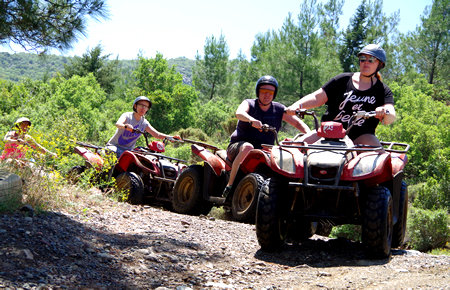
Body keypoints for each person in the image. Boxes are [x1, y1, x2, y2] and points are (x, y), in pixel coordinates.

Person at [286, 44, 396, 146]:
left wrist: (384, 111)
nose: (366, 62)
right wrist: (296, 106)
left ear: (380, 64)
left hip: (361, 136)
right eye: (362, 59)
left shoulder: (382, 90)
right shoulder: (342, 80)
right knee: (294, 149)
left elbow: (390, 116)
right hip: (328, 131)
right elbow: (317, 97)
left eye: (371, 60)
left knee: (380, 159)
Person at [222, 75, 310, 198]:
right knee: (248, 147)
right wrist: (252, 120)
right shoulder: (249, 103)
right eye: (263, 91)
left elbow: (296, 122)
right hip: (239, 146)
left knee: (285, 156)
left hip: (265, 149)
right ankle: (229, 186)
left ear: (274, 94)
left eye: (270, 92)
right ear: (258, 92)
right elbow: (239, 113)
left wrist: (309, 133)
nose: (267, 95)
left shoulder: (279, 109)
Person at [106, 96, 180, 158]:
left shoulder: (144, 123)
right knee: (110, 158)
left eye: (146, 107)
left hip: (128, 151)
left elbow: (156, 134)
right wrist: (125, 126)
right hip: (114, 146)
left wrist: (171, 137)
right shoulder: (127, 115)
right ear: (135, 106)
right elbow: (118, 124)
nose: (143, 108)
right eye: (141, 105)